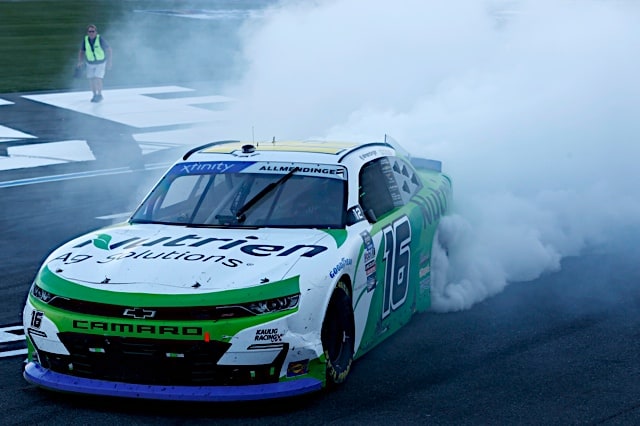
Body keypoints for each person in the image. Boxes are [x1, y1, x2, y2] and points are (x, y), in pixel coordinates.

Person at [77, 24, 112, 103]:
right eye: (90, 31)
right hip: (90, 63)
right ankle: (94, 95)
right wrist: (80, 61)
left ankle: (99, 94)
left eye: (93, 31)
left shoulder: (100, 39)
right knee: (91, 79)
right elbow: (81, 51)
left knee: (98, 78)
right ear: (87, 32)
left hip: (100, 62)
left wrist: (109, 62)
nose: (91, 33)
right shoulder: (85, 40)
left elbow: (109, 49)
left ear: (96, 32)